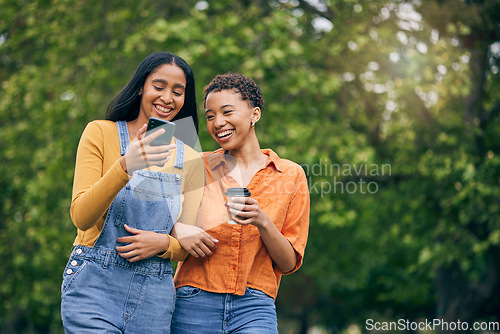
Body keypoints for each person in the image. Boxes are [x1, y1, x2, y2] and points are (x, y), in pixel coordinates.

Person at [60, 51, 216, 333]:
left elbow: (187, 240)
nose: (167, 98)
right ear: (141, 86)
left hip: (154, 296)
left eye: (178, 92)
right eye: (159, 87)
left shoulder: (192, 159)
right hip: (94, 286)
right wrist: (126, 165)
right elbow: (81, 217)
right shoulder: (100, 133)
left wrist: (163, 244)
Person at [171, 73, 310, 333]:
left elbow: (289, 262)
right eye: (210, 116)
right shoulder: (197, 165)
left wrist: (262, 221)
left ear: (254, 114)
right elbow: (158, 218)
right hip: (193, 300)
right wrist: (179, 229)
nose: (217, 123)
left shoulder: (290, 175)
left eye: (227, 112)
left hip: (254, 306)